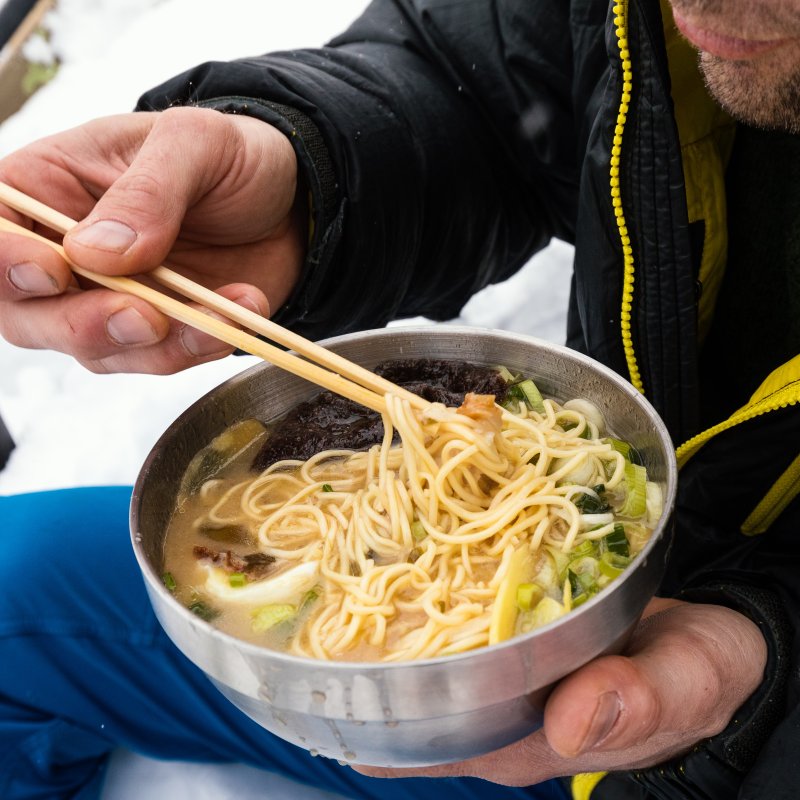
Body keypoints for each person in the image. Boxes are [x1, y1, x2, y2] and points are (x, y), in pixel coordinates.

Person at [0, 0, 797, 797]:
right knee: (14, 588)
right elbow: (492, 82)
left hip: (646, 735)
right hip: (429, 698)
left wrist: (765, 688)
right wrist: (308, 167)